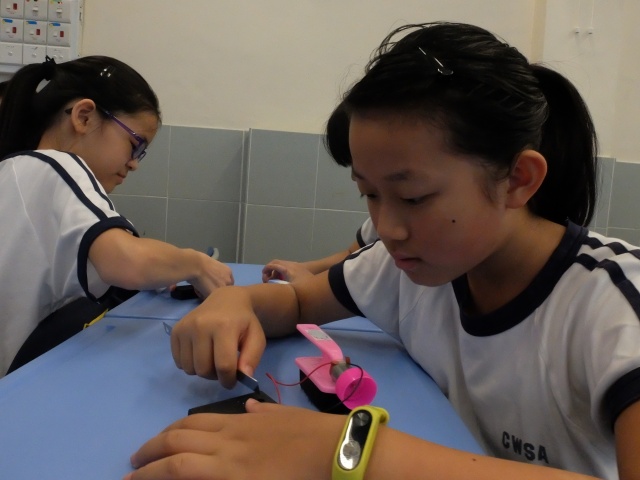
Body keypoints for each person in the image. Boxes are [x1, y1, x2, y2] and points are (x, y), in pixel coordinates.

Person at [125, 22, 640, 480]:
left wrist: (356, 454)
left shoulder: (613, 308)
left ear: (518, 180)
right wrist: (236, 302)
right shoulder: (407, 269)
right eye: (369, 194)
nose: (387, 229)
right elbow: (300, 301)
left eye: (413, 197)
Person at [0, 56, 234, 376]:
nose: (134, 163)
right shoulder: (58, 166)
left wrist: (164, 270)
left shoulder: (14, 171)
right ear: (84, 117)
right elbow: (125, 261)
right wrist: (196, 263)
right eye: (134, 145)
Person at [262, 103, 378, 283]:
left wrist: (308, 284)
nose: (354, 176)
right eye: (372, 195)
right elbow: (352, 254)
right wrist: (300, 269)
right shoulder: (379, 221)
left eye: (411, 199)